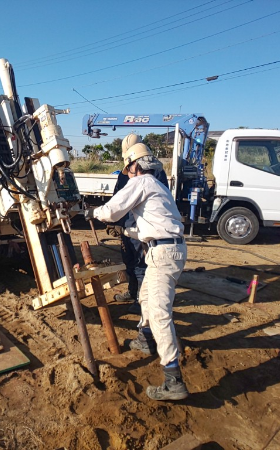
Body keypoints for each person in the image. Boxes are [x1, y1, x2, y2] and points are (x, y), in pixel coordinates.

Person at [85, 142, 188, 401]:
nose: (127, 173)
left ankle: (173, 379)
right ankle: (147, 340)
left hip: (163, 252)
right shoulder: (159, 186)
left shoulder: (140, 183)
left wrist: (90, 212)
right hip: (167, 250)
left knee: (160, 312)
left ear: (135, 165)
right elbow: (155, 224)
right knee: (144, 297)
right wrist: (127, 231)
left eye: (128, 168)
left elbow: (111, 211)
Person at [109, 134, 169, 316]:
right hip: (126, 225)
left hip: (140, 226)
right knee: (129, 261)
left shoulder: (153, 171)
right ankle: (133, 291)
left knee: (141, 265)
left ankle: (140, 300)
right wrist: (115, 222)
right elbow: (118, 198)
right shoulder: (124, 172)